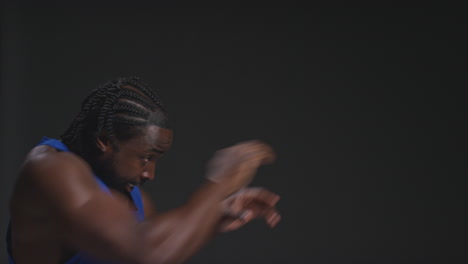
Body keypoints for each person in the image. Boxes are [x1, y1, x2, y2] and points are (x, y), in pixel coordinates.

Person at [6, 77, 281, 264]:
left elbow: (163, 248)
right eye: (146, 158)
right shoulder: (50, 169)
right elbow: (148, 253)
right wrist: (219, 184)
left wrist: (215, 214)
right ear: (104, 140)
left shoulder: (131, 198)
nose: (150, 173)